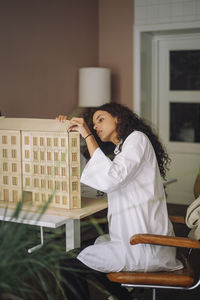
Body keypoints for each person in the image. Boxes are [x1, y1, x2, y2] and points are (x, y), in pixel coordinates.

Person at [57, 103, 183, 299]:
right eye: (93, 123)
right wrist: (65, 134)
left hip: (144, 245)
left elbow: (110, 178)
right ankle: (124, 297)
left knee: (67, 262)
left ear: (118, 118)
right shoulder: (123, 148)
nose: (96, 126)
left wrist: (88, 135)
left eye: (101, 119)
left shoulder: (137, 140)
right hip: (131, 239)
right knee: (81, 252)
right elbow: (104, 178)